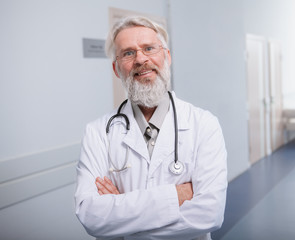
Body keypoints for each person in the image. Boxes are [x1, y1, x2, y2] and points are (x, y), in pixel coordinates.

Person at [75, 16, 227, 240]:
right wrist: (176, 195)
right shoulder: (98, 132)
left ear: (167, 56)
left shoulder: (204, 124)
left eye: (148, 48)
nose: (140, 59)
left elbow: (209, 215)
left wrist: (122, 214)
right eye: (128, 53)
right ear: (117, 69)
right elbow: (91, 216)